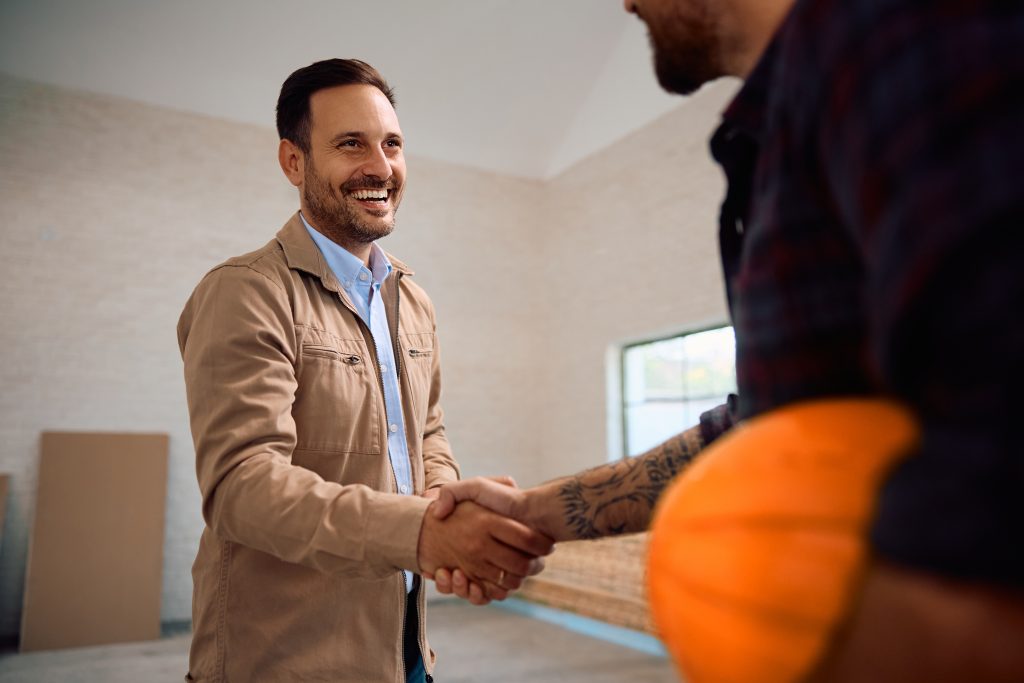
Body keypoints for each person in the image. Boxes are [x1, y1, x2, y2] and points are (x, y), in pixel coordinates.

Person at [432, 0, 1024, 679]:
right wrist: (531, 510)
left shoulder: (896, 32)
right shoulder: (794, 112)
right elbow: (767, 428)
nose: (624, 3)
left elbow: (998, 466)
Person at [177, 58, 552, 683]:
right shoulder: (246, 292)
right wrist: (421, 535)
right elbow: (242, 487)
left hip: (405, 654)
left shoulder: (412, 298)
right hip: (280, 662)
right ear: (293, 162)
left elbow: (426, 434)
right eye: (351, 144)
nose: (380, 167)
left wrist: (446, 512)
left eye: (393, 144)